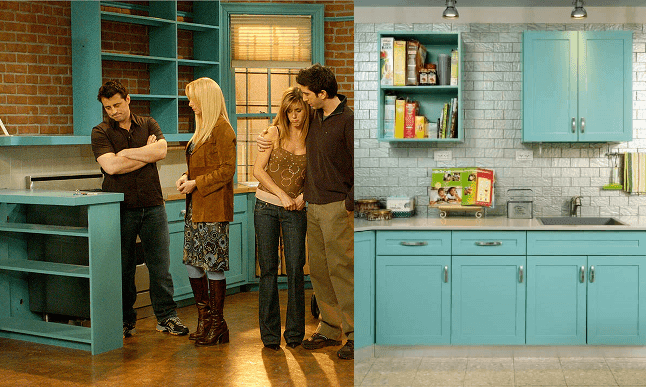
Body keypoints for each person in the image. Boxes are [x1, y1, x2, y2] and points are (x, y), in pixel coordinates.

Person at [257, 64, 354, 360]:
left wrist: (350, 203)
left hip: (338, 207)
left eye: (310, 94)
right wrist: (267, 136)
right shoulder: (314, 116)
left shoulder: (348, 121)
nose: (305, 99)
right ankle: (329, 327)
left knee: (342, 271)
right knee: (321, 272)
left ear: (323, 93)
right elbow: (286, 123)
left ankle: (354, 333)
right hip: (312, 207)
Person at [91, 80, 189, 338]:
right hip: (120, 207)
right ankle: (124, 321)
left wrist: (126, 153)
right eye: (108, 107)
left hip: (153, 205)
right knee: (123, 268)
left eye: (117, 104)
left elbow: (162, 150)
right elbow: (111, 167)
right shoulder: (100, 132)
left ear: (128, 99)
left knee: (160, 267)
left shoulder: (148, 123)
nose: (113, 111)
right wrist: (146, 153)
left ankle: (166, 317)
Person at [175, 77, 236, 347]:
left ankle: (218, 323)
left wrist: (195, 183)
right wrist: (185, 176)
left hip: (213, 208)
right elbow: (202, 166)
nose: (189, 104)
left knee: (213, 265)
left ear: (206, 100)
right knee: (191, 262)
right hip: (195, 207)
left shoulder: (222, 129)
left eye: (193, 99)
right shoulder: (202, 130)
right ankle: (205, 319)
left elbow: (227, 170)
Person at [253, 87, 309, 351]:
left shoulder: (313, 135)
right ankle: (270, 336)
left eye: (298, 110)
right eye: (289, 111)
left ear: (306, 109)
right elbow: (258, 170)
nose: (294, 117)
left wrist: (303, 196)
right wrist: (282, 195)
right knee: (268, 270)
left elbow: (320, 171)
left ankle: (295, 334)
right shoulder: (273, 133)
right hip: (266, 207)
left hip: (296, 211)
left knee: (296, 270)